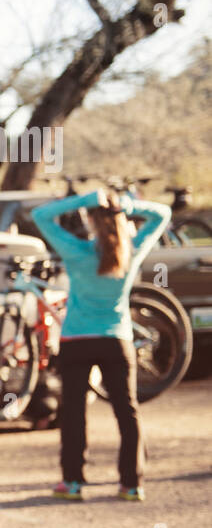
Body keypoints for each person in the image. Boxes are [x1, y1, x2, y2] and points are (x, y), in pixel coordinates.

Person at [30, 187, 171, 501]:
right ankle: (131, 484)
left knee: (74, 412)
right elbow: (163, 213)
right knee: (127, 411)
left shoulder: (77, 252)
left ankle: (73, 482)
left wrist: (86, 199)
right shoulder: (130, 252)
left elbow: (40, 215)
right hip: (115, 340)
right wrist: (127, 204)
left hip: (76, 341)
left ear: (92, 221)